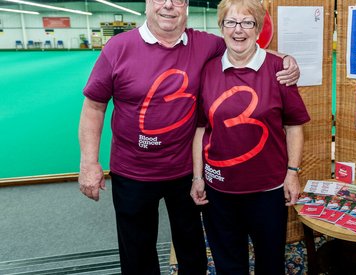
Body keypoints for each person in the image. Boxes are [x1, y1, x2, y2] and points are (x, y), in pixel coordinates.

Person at [78, 0, 300, 273]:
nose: (169, 5)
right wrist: (89, 163)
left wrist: (285, 61)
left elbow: (244, 47)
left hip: (185, 172)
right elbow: (94, 106)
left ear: (186, 7)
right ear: (147, 4)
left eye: (178, 0)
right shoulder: (118, 47)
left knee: (192, 251)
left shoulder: (207, 45)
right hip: (133, 171)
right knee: (137, 254)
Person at [189, 0, 310, 273]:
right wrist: (198, 177)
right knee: (228, 263)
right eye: (230, 22)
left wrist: (292, 172)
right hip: (219, 189)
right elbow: (199, 128)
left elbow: (294, 125)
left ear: (258, 29)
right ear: (221, 27)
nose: (238, 30)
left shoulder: (279, 69)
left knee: (270, 262)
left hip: (267, 190)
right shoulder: (207, 71)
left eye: (247, 22)